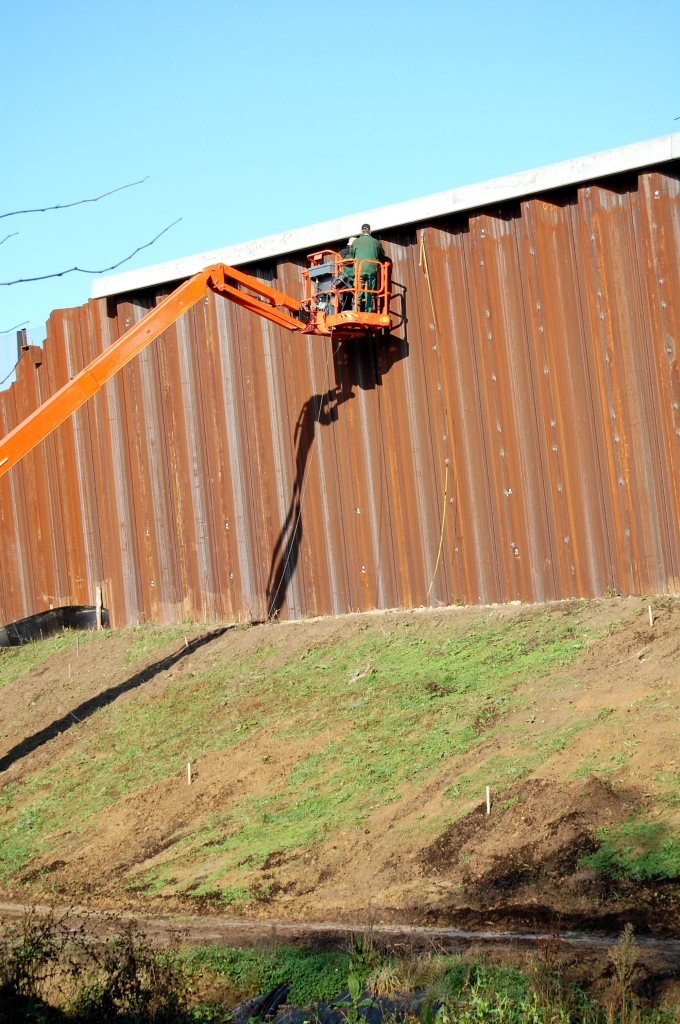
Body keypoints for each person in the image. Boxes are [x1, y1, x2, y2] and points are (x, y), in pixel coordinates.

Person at [349, 224, 386, 313]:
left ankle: (356, 311)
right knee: (369, 292)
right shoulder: (376, 242)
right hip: (371, 270)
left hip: (359, 270)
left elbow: (351, 256)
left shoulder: (356, 242)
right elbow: (382, 255)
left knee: (358, 292)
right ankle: (368, 311)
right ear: (370, 231)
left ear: (361, 231)